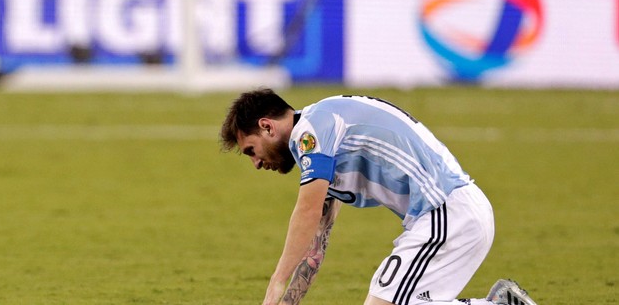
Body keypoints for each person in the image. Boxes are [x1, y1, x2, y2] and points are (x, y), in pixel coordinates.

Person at [219, 88, 542, 305]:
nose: (257, 163)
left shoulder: (311, 133)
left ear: (267, 127)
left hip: (447, 212)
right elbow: (314, 247)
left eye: (251, 150)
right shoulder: (322, 144)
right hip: (449, 216)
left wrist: (277, 281)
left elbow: (306, 210)